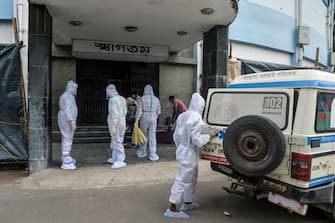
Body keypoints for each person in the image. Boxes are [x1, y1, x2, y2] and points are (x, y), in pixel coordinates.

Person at [164, 93, 218, 219]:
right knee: (183, 179)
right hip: (190, 152)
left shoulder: (183, 115)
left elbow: (176, 136)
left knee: (192, 177)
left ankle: (188, 202)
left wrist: (181, 147)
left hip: (183, 149)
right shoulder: (196, 117)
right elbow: (197, 140)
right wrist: (209, 135)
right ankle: (172, 207)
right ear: (201, 105)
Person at [135, 84, 161, 161]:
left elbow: (139, 111)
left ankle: (143, 151)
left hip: (144, 117)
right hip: (153, 116)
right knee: (152, 135)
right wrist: (155, 117)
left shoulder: (142, 99)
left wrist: (137, 120)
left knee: (143, 134)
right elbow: (159, 112)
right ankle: (153, 154)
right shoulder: (156, 99)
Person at [58, 80, 78, 170]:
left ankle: (66, 156)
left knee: (66, 137)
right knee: (67, 137)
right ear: (71, 87)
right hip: (66, 119)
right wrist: (72, 120)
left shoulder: (67, 95)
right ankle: (66, 159)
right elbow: (68, 108)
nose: (76, 90)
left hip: (65, 118)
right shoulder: (68, 96)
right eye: (75, 88)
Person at [106, 84, 127, 169]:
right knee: (116, 139)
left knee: (117, 140)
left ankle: (120, 160)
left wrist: (114, 125)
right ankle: (115, 158)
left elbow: (114, 113)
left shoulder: (112, 100)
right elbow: (125, 111)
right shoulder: (122, 98)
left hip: (116, 122)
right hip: (122, 120)